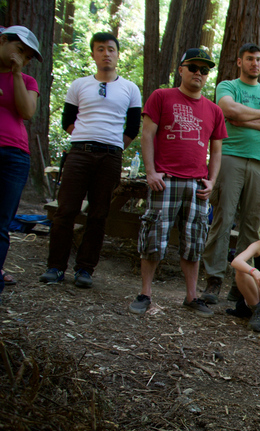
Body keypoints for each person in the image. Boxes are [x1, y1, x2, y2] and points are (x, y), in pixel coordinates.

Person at [128, 48, 227, 317]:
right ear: (181, 69)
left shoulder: (214, 110)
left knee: (194, 241)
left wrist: (212, 180)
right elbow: (147, 135)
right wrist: (150, 172)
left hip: (196, 184)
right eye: (193, 67)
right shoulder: (161, 97)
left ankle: (191, 296)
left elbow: (216, 150)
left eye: (204, 70)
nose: (198, 73)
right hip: (165, 180)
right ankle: (145, 293)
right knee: (154, 236)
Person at [40, 32, 141, 288]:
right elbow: (67, 122)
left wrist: (112, 144)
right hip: (79, 155)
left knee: (99, 214)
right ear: (93, 54)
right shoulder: (79, 85)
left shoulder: (130, 89)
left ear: (118, 54)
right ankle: (55, 267)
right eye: (100, 49)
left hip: (110, 157)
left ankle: (85, 269)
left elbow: (131, 128)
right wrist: (87, 139)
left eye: (110, 49)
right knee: (66, 210)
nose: (106, 53)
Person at [200, 43, 260, 305]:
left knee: (254, 226)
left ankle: (241, 283)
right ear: (240, 62)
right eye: (249, 59)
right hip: (230, 159)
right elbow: (229, 110)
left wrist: (246, 120)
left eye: (259, 60)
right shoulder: (228, 86)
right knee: (222, 219)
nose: (255, 64)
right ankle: (213, 279)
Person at [0, 25, 41, 304]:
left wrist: (16, 73)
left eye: (27, 57)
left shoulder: (27, 81)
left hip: (14, 156)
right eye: (20, 50)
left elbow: (26, 112)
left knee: (1, 223)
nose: (23, 58)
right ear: (3, 41)